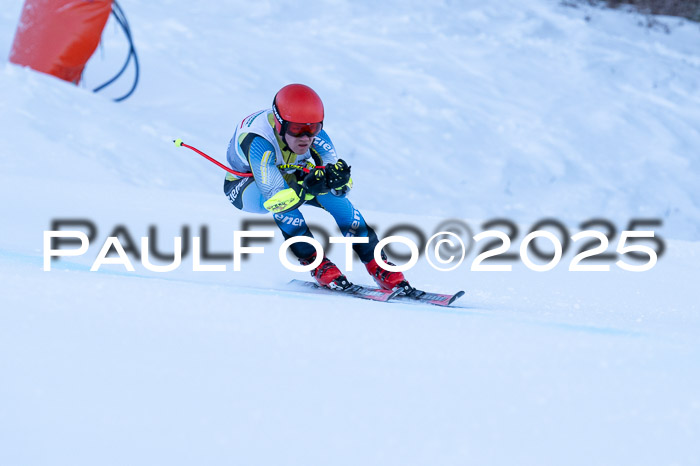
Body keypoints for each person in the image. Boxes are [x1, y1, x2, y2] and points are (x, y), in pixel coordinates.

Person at [224, 83, 410, 291]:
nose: (305, 137)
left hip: (288, 175)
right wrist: (309, 187)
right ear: (280, 125)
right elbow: (275, 197)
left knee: (336, 199)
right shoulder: (258, 141)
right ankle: (317, 263)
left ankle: (377, 262)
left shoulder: (315, 135)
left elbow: (342, 187)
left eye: (313, 129)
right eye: (296, 130)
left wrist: (338, 181)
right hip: (246, 188)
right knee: (286, 206)